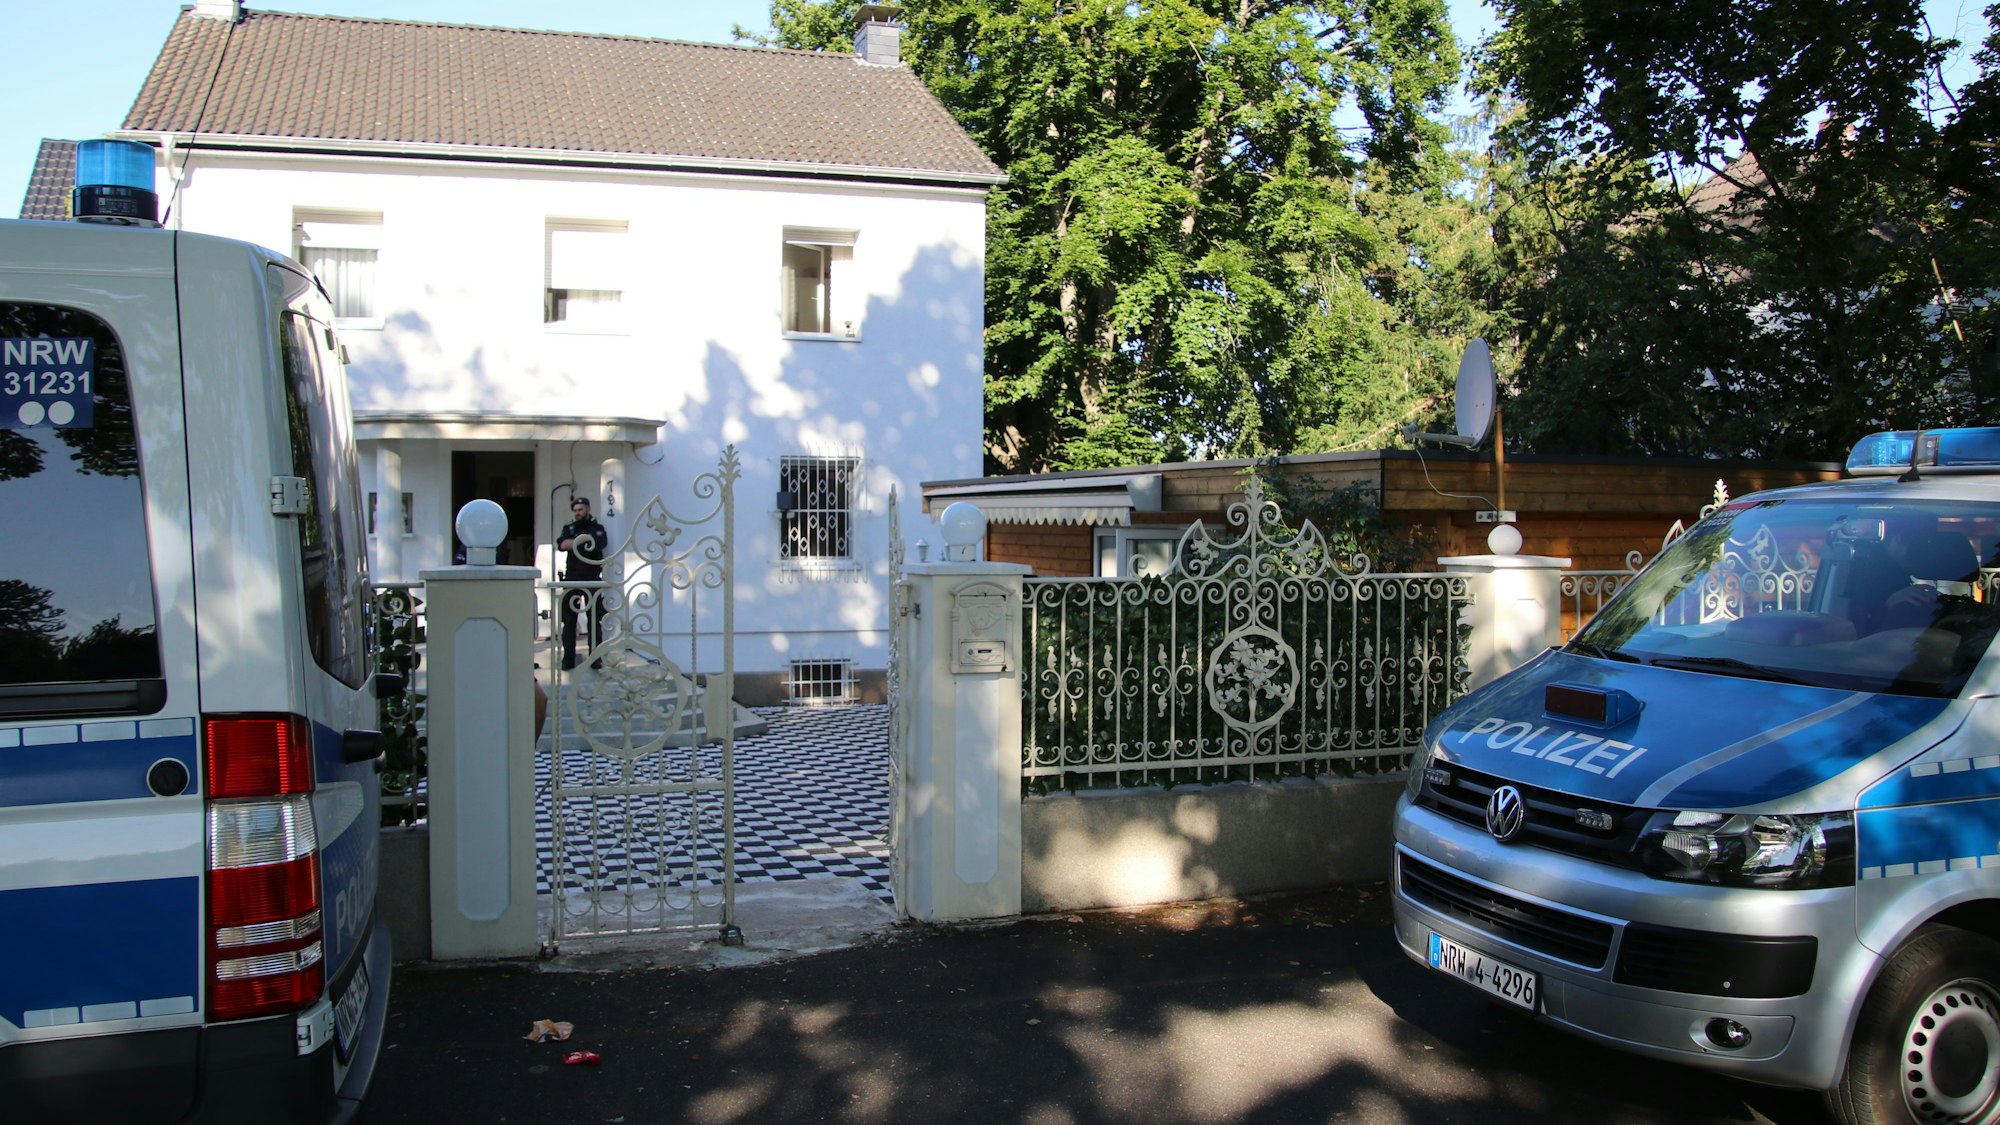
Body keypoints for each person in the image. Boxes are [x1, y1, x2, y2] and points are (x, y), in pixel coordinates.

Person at [557, 496, 609, 670]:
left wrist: (575, 542)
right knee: (569, 621)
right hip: (572, 577)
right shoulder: (569, 527)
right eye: (576, 510)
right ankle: (568, 659)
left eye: (581, 509)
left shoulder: (597, 528)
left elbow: (598, 544)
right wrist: (584, 540)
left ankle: (596, 659)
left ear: (588, 509)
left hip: (592, 577)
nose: (578, 513)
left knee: (594, 620)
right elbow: (563, 544)